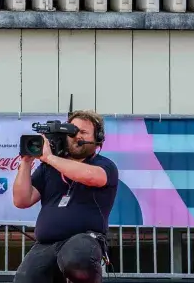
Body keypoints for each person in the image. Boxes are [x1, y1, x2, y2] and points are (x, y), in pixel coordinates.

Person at [10, 111, 118, 283]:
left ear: (97, 139)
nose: (76, 136)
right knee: (24, 278)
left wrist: (50, 158)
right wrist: (26, 162)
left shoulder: (104, 164)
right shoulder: (48, 167)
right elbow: (22, 200)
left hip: (85, 240)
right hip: (46, 245)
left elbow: (92, 177)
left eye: (83, 132)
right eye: (72, 132)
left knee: (76, 259)